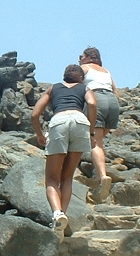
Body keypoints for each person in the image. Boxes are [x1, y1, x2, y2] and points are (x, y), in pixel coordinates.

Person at [32, 64, 97, 238]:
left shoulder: (54, 88)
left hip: (59, 121)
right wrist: (91, 132)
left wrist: (39, 134)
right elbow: (91, 103)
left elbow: (34, 114)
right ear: (80, 78)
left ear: (64, 76)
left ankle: (57, 214)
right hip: (80, 122)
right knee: (67, 177)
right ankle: (62, 218)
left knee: (52, 179)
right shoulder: (85, 88)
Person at [79, 46, 120, 201]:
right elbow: (116, 91)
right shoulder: (106, 71)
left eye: (81, 56)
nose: (79, 59)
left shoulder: (84, 68)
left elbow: (74, 85)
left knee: (96, 143)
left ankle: (102, 177)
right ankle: (98, 170)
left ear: (89, 57)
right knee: (99, 139)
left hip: (96, 99)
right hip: (112, 102)